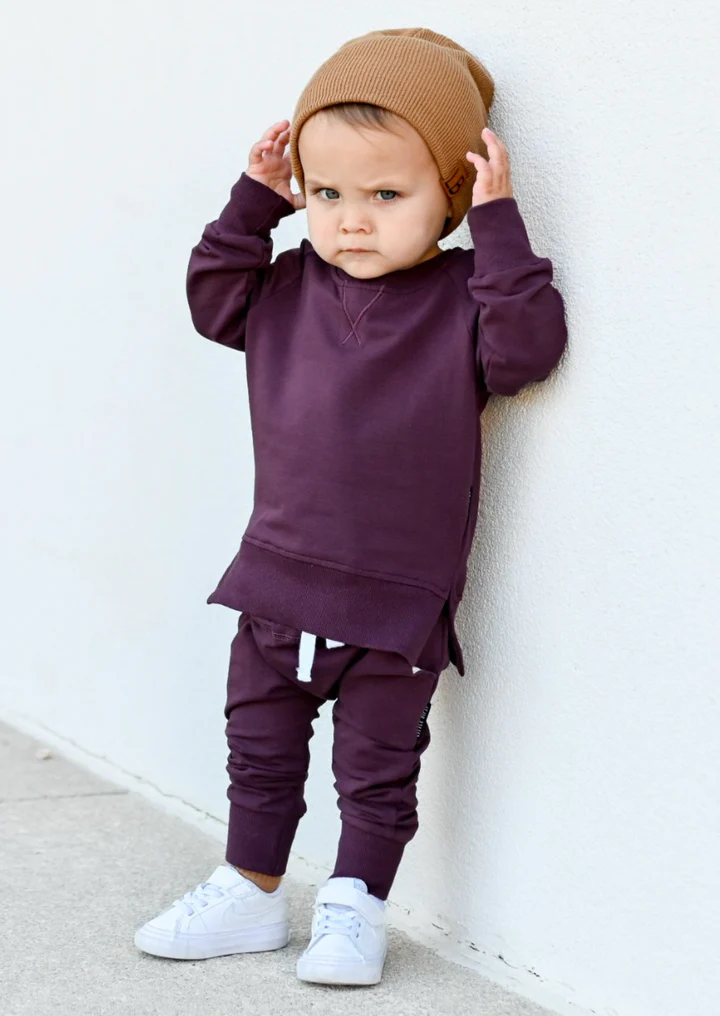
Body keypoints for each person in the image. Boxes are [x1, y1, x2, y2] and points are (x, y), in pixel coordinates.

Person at [134, 27, 568, 986]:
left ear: (451, 193)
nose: (352, 222)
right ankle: (250, 890)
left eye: (385, 196)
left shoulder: (465, 297)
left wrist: (499, 226)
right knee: (258, 746)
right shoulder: (286, 287)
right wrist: (257, 200)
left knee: (376, 767)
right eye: (327, 194)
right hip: (277, 579)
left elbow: (528, 350)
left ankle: (355, 906)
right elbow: (213, 299)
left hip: (396, 600)